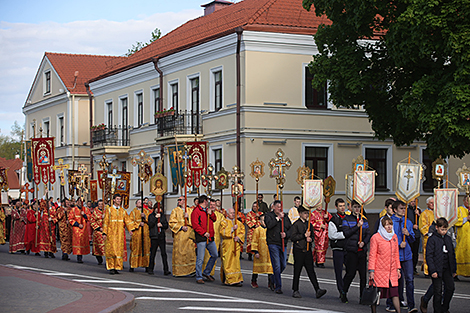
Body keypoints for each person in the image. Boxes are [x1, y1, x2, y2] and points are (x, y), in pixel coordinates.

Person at [290, 204, 327, 299]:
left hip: (307, 251)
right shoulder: (296, 224)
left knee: (311, 271)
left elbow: (313, 236)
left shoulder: (309, 224)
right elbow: (293, 237)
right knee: (297, 271)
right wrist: (303, 236)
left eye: (307, 213)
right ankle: (295, 290)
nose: (306, 215)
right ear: (300, 214)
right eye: (304, 213)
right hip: (299, 250)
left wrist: (311, 239)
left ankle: (317, 289)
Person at [369, 216, 401, 313]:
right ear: (382, 226)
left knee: (395, 293)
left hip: (391, 271)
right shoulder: (375, 238)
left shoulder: (394, 237)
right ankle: (374, 311)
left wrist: (398, 268)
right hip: (379, 270)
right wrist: (371, 271)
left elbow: (396, 254)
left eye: (390, 224)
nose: (389, 227)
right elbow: (372, 255)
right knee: (375, 294)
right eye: (386, 225)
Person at [390, 200, 417, 312]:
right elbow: (387, 238)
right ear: (395, 210)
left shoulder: (408, 222)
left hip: (407, 255)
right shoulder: (390, 222)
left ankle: (411, 304)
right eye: (401, 208)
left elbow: (413, 239)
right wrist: (398, 244)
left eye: (404, 208)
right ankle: (394, 302)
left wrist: (408, 234)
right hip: (395, 256)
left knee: (409, 280)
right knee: (396, 281)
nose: (403, 210)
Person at [426, 217, 457, 313]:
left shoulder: (447, 239)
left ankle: (445, 308)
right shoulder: (432, 239)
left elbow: (452, 254)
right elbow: (429, 256)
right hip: (437, 268)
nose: (444, 231)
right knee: (438, 292)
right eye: (442, 229)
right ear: (437, 228)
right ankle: (437, 310)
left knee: (450, 288)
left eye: (445, 229)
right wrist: (432, 270)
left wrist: (454, 270)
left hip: (447, 268)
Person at [342, 199, 370, 303]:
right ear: (351, 208)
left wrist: (364, 242)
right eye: (355, 207)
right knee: (351, 273)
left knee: (363, 275)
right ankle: (344, 292)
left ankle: (362, 297)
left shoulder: (364, 220)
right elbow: (346, 233)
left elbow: (368, 233)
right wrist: (357, 226)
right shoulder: (347, 219)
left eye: (359, 207)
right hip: (351, 250)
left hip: (361, 251)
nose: (357, 209)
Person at [102, 194, 135, 274]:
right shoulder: (109, 210)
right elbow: (105, 222)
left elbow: (127, 220)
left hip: (119, 234)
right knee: (111, 250)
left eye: (120, 199)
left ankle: (117, 267)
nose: (119, 201)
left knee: (118, 251)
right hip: (111, 233)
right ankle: (111, 267)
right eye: (117, 199)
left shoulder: (122, 211)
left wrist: (130, 229)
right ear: (114, 200)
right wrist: (104, 233)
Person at [265, 200, 292, 294]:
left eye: (281, 207)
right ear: (273, 207)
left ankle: (273, 278)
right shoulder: (269, 215)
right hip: (273, 243)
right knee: (276, 265)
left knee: (283, 264)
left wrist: (286, 234)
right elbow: (269, 225)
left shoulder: (285, 217)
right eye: (278, 206)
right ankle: (278, 286)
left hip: (283, 243)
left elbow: (290, 228)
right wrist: (277, 218)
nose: (279, 208)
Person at [191, 194, 218, 284]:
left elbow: (214, 219)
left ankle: (206, 272)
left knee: (214, 254)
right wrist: (203, 232)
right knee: (200, 259)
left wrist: (211, 214)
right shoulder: (196, 211)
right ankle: (199, 276)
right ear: (205, 201)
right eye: (207, 201)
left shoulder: (207, 210)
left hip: (210, 237)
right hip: (202, 237)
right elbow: (195, 225)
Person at [169, 196, 196, 277]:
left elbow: (194, 222)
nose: (179, 201)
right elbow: (171, 222)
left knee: (189, 252)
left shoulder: (190, 210)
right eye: (179, 200)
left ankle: (191, 270)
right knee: (180, 253)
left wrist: (188, 218)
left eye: (181, 200)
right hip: (180, 235)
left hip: (189, 235)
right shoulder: (175, 210)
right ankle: (179, 271)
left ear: (185, 201)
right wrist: (181, 227)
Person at [328, 198, 348, 302]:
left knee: (350, 270)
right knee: (338, 272)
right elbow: (332, 235)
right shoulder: (333, 219)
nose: (342, 208)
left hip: (348, 248)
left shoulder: (348, 218)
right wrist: (346, 234)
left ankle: (344, 286)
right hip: (338, 248)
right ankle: (342, 291)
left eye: (343, 205)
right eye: (340, 206)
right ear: (336, 207)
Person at [220, 207, 245, 286]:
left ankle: (237, 279)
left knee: (236, 262)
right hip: (227, 244)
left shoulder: (238, 222)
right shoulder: (224, 222)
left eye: (234, 213)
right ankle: (229, 279)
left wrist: (238, 237)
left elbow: (242, 231)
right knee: (227, 261)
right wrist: (231, 229)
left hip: (235, 244)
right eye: (231, 213)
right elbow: (222, 232)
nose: (233, 214)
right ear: (227, 214)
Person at [203, 199, 225, 276]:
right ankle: (203, 272)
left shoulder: (220, 215)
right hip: (206, 237)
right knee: (205, 256)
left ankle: (210, 273)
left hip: (216, 239)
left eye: (214, 205)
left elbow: (224, 226)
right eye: (211, 205)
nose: (212, 206)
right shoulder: (205, 213)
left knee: (213, 256)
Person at [250, 213, 273, 289]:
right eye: (263, 220)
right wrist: (256, 251)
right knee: (257, 268)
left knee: (270, 269)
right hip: (260, 252)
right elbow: (254, 241)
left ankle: (270, 283)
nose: (264, 222)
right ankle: (254, 281)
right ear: (260, 221)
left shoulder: (270, 229)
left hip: (268, 252)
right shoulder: (257, 230)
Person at [129, 199, 151, 272]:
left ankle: (146, 265)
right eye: (138, 202)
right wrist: (138, 224)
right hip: (137, 232)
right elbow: (130, 222)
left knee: (145, 248)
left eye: (141, 202)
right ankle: (133, 265)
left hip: (145, 232)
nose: (140, 203)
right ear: (136, 204)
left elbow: (150, 220)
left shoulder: (146, 211)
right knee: (136, 248)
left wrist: (144, 217)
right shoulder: (133, 212)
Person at [148, 202, 170, 275]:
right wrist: (155, 218)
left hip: (161, 236)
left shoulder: (162, 216)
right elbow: (150, 224)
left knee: (164, 253)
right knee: (153, 253)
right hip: (154, 236)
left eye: (160, 208)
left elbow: (166, 225)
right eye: (157, 208)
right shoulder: (151, 216)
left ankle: (166, 270)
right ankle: (150, 269)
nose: (158, 210)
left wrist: (162, 225)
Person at [68, 198, 91, 263]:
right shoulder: (73, 210)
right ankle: (79, 257)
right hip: (77, 229)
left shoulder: (86, 209)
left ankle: (81, 255)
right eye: (79, 201)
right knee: (78, 243)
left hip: (83, 229)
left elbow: (89, 217)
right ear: (77, 202)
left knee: (82, 242)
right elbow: (70, 219)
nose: (79, 203)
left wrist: (84, 215)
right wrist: (77, 224)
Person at [419, 197, 435, 276]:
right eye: (431, 203)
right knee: (427, 253)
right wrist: (429, 232)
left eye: (434, 202)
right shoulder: (424, 213)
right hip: (428, 236)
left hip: (436, 235)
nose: (433, 204)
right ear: (427, 204)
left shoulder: (437, 212)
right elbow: (422, 225)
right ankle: (427, 270)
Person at [455, 197, 470, 277]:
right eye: (468, 201)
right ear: (464, 201)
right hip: (462, 236)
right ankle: (456, 273)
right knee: (460, 254)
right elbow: (455, 221)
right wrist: (466, 218)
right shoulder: (459, 209)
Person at [407, 199, 421, 275]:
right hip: (409, 234)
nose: (413, 203)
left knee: (416, 252)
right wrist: (412, 226)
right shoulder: (407, 210)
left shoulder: (418, 210)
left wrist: (418, 215)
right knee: (410, 251)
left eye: (414, 201)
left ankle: (414, 268)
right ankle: (409, 268)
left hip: (416, 234)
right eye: (411, 201)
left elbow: (422, 220)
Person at [90, 199, 105, 265]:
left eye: (102, 204)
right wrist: (98, 228)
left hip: (106, 231)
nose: (101, 206)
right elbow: (92, 221)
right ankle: (99, 258)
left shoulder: (106, 211)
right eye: (99, 204)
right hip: (98, 231)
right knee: (98, 247)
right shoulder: (95, 212)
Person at [287, 196, 301, 264]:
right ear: (294, 202)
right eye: (297, 201)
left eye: (299, 202)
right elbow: (290, 220)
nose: (298, 203)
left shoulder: (301, 210)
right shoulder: (291, 210)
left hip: (300, 229)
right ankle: (292, 260)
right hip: (295, 229)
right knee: (294, 244)